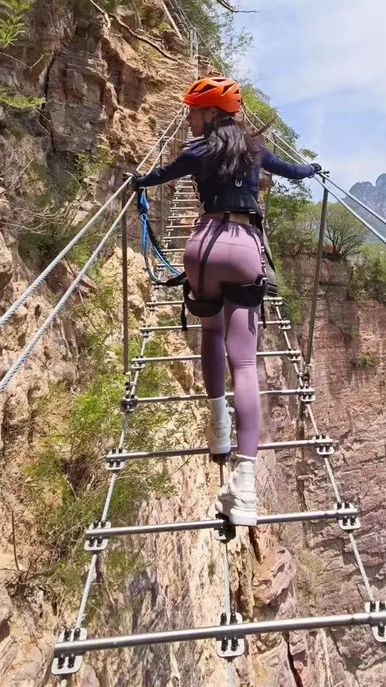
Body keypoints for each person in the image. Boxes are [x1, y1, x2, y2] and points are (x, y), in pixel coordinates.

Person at [133, 76, 321, 525]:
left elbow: (158, 177)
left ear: (211, 113)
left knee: (210, 333)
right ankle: (246, 481)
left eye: (192, 111)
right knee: (244, 361)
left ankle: (219, 433)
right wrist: (314, 171)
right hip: (243, 249)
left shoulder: (197, 151)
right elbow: (294, 172)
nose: (188, 117)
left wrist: (137, 181)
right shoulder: (255, 151)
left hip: (201, 247)